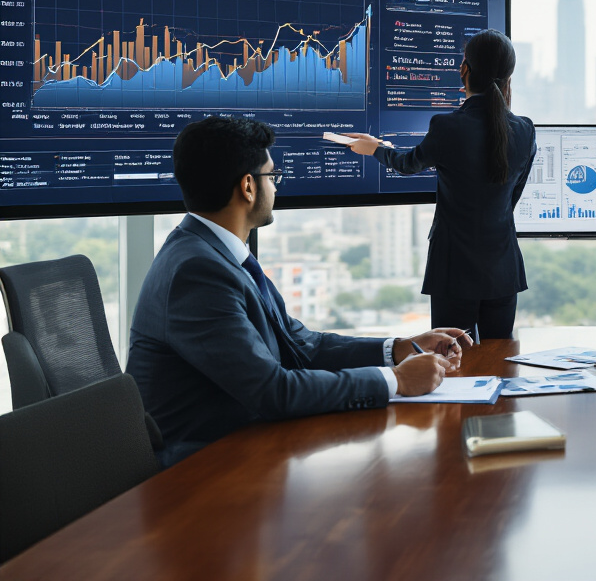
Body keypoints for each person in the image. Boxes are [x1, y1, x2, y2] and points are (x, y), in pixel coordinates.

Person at [127, 116, 468, 467]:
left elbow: (302, 345)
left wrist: (398, 349)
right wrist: (395, 381)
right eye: (272, 177)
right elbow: (273, 391)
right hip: (200, 472)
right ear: (248, 186)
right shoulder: (196, 272)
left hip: (247, 449)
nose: (276, 188)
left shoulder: (216, 255)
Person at [347, 29, 535, 340]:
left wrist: (374, 148)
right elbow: (513, 195)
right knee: (500, 360)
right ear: (507, 77)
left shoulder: (447, 127)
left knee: (452, 362)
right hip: (503, 271)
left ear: (464, 70)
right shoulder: (525, 130)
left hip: (455, 271)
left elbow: (408, 163)